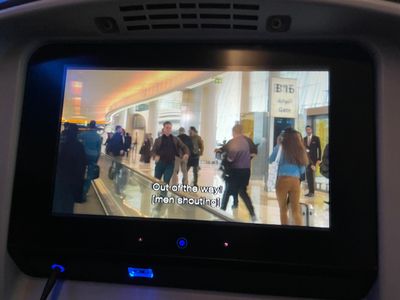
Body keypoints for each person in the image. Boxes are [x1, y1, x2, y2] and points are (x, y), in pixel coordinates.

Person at [269, 127, 308, 226]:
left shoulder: (280, 147)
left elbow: (270, 160)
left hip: (282, 180)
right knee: (295, 211)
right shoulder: (299, 149)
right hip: (295, 181)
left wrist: (278, 144)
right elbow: (303, 170)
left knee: (283, 210)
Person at [220, 124, 257, 222]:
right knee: (243, 192)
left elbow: (231, 158)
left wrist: (225, 158)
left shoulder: (235, 142)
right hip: (246, 170)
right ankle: (252, 213)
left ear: (234, 132)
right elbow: (252, 153)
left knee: (227, 191)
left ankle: (221, 212)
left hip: (236, 171)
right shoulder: (246, 141)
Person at [151, 121, 189, 214]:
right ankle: (159, 196)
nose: (168, 129)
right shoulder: (158, 140)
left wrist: (186, 153)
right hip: (160, 164)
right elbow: (153, 151)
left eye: (170, 128)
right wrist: (155, 156)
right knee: (157, 181)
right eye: (167, 127)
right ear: (163, 129)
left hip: (170, 164)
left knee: (165, 183)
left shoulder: (175, 139)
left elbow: (184, 147)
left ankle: (160, 203)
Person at [53, 124, 87, 214]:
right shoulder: (78, 146)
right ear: (76, 133)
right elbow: (81, 168)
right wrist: (79, 191)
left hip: (58, 180)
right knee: (67, 207)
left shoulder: (60, 143)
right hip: (70, 183)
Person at [78, 120, 102, 201]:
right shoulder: (98, 137)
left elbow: (77, 141)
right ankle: (85, 191)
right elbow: (99, 150)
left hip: (83, 156)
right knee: (90, 175)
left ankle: (79, 190)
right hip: (93, 156)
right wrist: (97, 160)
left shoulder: (83, 134)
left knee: (81, 172)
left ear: (89, 126)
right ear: (95, 127)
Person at [303, 125, 322, 197]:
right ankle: (310, 191)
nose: (308, 131)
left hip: (313, 160)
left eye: (309, 130)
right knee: (308, 176)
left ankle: (312, 192)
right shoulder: (304, 139)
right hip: (306, 160)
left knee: (310, 175)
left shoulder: (316, 138)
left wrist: (319, 159)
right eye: (307, 130)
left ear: (311, 130)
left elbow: (319, 149)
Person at [108, 125, 126, 196]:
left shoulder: (114, 136)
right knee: (118, 167)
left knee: (114, 164)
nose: (122, 130)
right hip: (118, 154)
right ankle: (116, 177)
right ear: (118, 129)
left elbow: (111, 144)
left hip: (114, 153)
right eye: (121, 128)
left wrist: (111, 151)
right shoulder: (119, 136)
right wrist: (121, 150)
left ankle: (113, 174)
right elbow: (119, 144)